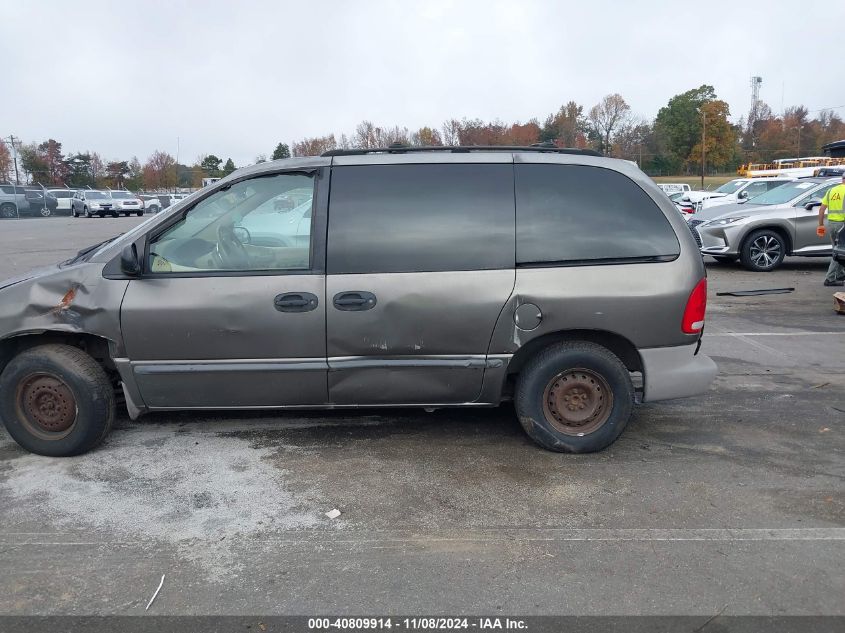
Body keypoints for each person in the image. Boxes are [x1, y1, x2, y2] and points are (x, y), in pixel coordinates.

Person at [817, 174, 845, 287]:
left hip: (832, 224)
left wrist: (820, 225)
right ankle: (830, 278)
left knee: (839, 249)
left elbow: (822, 209)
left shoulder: (831, 190)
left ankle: (839, 274)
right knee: (839, 252)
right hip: (842, 225)